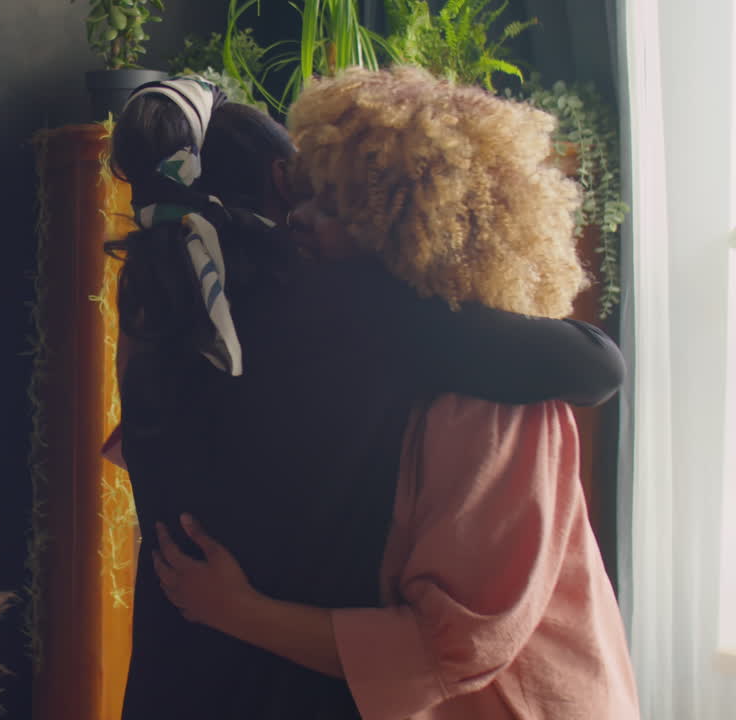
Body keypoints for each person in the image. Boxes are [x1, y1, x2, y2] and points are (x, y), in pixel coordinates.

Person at [109, 77, 627, 718]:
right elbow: (593, 363)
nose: (302, 219)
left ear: (406, 219)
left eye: (332, 205)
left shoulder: (160, 311)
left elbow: (457, 646)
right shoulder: (372, 325)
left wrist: (245, 612)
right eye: (307, 196)